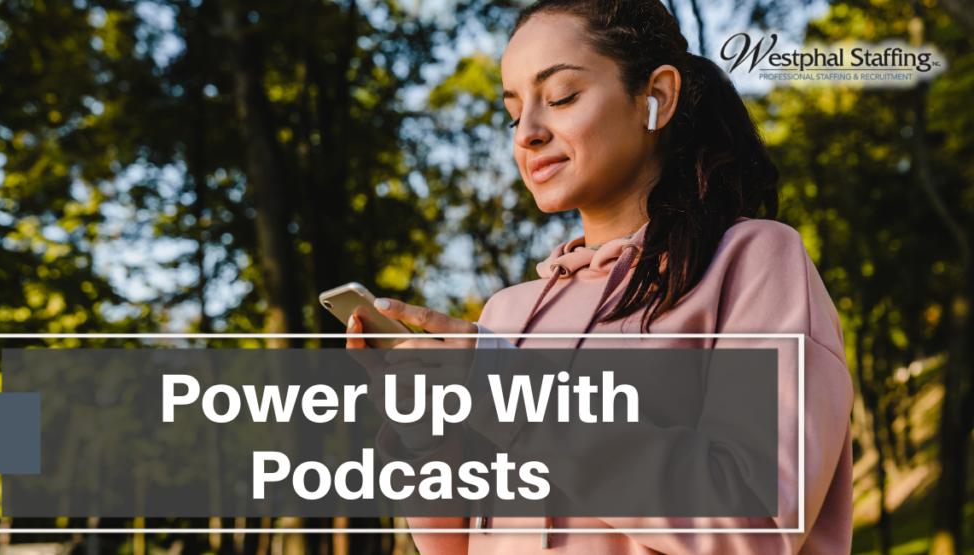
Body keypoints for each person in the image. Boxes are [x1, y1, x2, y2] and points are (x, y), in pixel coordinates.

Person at [346, 0, 854, 552]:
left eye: (561, 96)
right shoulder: (504, 316)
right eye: (514, 113)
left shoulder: (751, 262)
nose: (528, 133)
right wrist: (425, 432)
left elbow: (756, 523)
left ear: (655, 97)